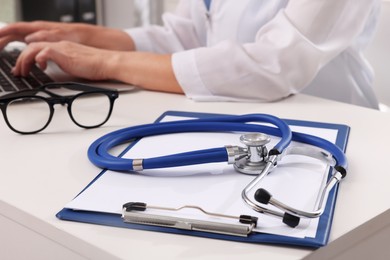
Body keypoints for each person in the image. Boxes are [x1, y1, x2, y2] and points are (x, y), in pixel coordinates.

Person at [0, 0, 381, 109]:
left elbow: (273, 64)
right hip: (241, 117)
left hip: (331, 120)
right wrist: (85, 37)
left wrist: (105, 62)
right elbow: (188, 35)